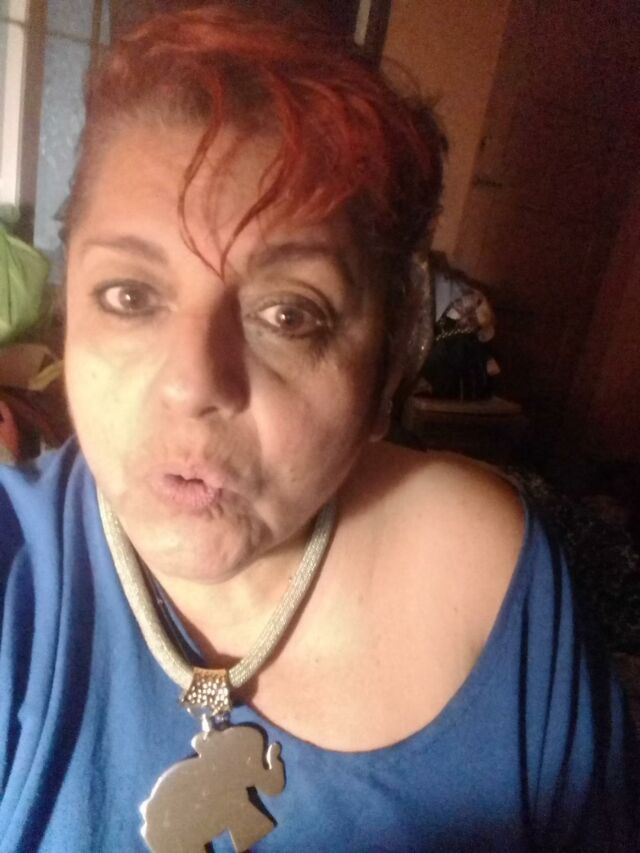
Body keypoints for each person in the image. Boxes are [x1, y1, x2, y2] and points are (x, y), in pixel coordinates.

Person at [0, 5, 637, 851]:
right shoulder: (17, 567)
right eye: (130, 295)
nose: (193, 382)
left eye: (288, 314)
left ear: (390, 364)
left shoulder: (490, 579)